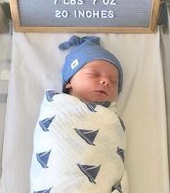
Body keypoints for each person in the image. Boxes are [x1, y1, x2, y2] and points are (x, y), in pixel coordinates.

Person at [30, 35, 128, 193]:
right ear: (69, 81)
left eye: (114, 81)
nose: (106, 82)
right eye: (94, 75)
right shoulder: (57, 107)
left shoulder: (110, 119)